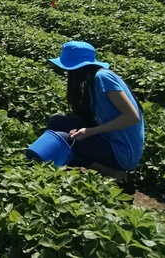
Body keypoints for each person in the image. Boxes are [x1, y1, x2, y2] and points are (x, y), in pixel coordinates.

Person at [47, 41, 144, 179]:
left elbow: (132, 116)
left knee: (64, 141)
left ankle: (113, 172)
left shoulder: (103, 78)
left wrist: (89, 132)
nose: (66, 72)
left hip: (121, 151)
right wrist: (82, 129)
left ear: (79, 67)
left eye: (68, 68)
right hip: (107, 139)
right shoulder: (90, 81)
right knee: (56, 123)